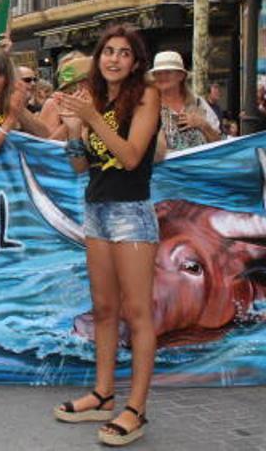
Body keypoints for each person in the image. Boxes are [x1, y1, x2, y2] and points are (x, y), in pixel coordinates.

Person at [53, 24, 160, 447]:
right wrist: (76, 135)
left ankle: (136, 409)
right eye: (107, 52)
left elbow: (132, 157)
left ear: (135, 62)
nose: (113, 59)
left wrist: (92, 118)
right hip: (95, 210)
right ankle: (103, 394)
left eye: (124, 53)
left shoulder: (145, 96)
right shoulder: (96, 99)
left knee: (137, 314)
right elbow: (83, 168)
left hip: (132, 214)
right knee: (103, 309)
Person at [150, 51, 220, 158]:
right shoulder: (149, 107)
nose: (162, 76)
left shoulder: (198, 103)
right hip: (166, 172)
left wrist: (203, 124)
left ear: (181, 76)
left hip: (202, 169)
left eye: (168, 72)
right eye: (158, 73)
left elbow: (219, 144)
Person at [40, 56, 92, 140]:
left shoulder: (106, 105)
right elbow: (47, 146)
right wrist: (70, 125)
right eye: (69, 90)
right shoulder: (55, 102)